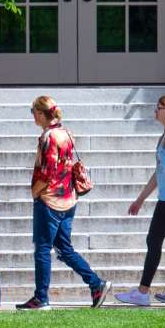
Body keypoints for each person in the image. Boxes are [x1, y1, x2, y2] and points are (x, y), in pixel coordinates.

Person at [19, 96, 107, 309]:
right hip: (68, 199)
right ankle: (96, 284)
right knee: (64, 248)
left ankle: (41, 297)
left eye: (33, 112)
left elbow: (47, 171)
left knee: (42, 248)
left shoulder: (49, 137)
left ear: (41, 114)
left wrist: (34, 192)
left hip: (49, 200)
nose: (33, 116)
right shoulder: (66, 133)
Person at [119, 95, 165, 308]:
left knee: (156, 241)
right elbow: (159, 172)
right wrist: (140, 199)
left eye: (158, 108)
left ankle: (144, 292)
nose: (155, 111)